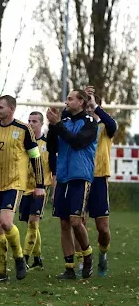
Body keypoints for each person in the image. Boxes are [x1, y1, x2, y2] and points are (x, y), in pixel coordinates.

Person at [0, 95, 45, 283]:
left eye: (0, 107)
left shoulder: (23, 129)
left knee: (6, 223)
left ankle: (20, 259)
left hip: (14, 184)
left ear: (11, 109)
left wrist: (40, 185)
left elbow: (35, 157)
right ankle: (1, 273)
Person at [46, 89, 98, 280]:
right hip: (63, 178)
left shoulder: (91, 122)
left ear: (82, 102)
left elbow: (77, 142)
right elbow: (52, 147)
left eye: (70, 99)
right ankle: (69, 267)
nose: (66, 102)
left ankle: (88, 255)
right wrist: (52, 127)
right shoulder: (64, 123)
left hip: (80, 177)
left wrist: (58, 124)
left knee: (76, 221)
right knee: (64, 223)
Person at [74, 87, 117, 277]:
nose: (89, 108)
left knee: (103, 228)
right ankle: (83, 261)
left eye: (91, 104)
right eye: (87, 104)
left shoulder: (106, 126)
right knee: (78, 222)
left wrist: (95, 106)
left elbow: (112, 125)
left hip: (99, 179)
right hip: (82, 177)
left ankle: (103, 254)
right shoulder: (81, 124)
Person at [19, 111, 56, 270]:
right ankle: (38, 259)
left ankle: (24, 259)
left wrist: (54, 190)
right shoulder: (23, 143)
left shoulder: (48, 144)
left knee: (34, 223)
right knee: (30, 223)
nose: (31, 124)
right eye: (29, 121)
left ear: (41, 124)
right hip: (24, 188)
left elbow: (54, 169)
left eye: (34, 121)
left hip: (41, 188)